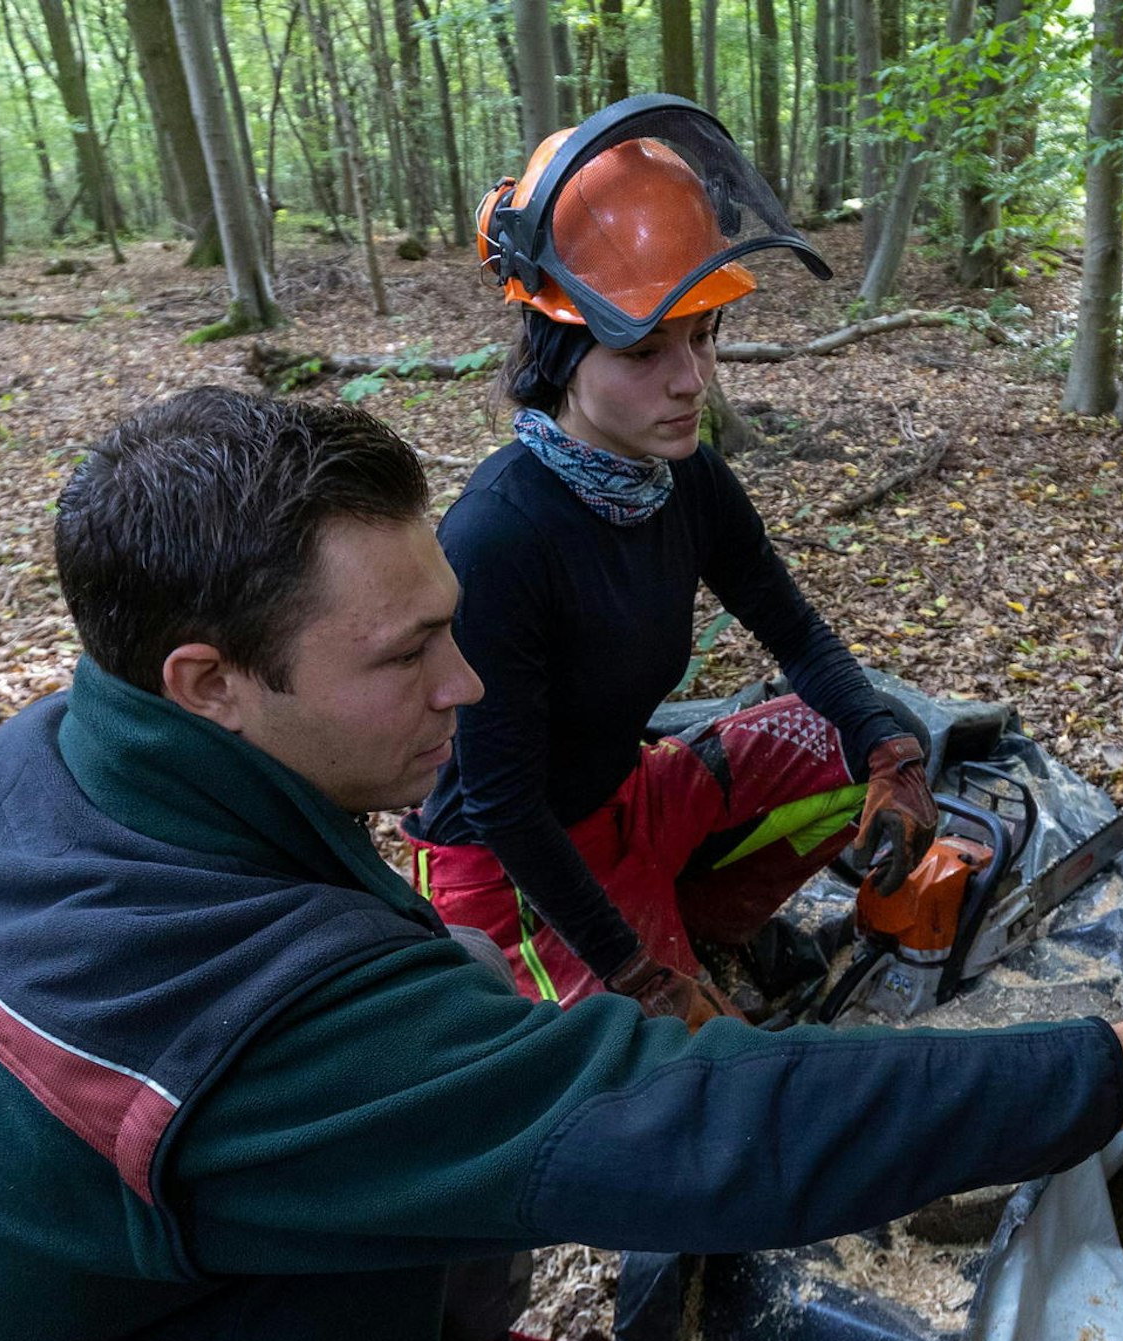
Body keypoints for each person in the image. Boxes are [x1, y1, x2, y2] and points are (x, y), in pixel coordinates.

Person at [0, 388, 1123, 1341]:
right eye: (408, 655)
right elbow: (700, 1123)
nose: (469, 683)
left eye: (454, 624)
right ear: (210, 680)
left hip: (143, 1302)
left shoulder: (39, 766)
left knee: (453, 993)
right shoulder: (239, 1035)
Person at [402, 97, 939, 1026]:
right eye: (647, 350)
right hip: (511, 873)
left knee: (853, 734)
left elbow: (794, 630)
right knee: (692, 1093)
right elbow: (499, 806)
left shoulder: (680, 477)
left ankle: (703, 922)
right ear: (563, 352)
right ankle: (663, 958)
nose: (691, 380)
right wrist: (636, 971)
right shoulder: (498, 538)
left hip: (631, 798)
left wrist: (890, 751)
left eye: (702, 338)